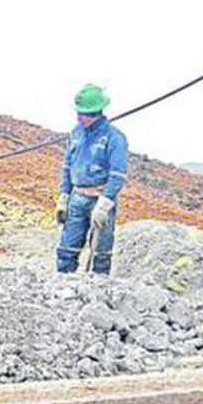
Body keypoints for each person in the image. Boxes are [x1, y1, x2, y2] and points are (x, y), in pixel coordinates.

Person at [55, 84, 128, 275]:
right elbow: (67, 166)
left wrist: (104, 204)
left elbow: (118, 175)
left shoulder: (114, 138)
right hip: (77, 198)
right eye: (78, 113)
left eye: (83, 114)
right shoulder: (76, 133)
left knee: (100, 254)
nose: (78, 118)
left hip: (100, 199)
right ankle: (63, 283)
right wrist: (64, 196)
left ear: (96, 113)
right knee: (67, 249)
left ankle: (98, 287)